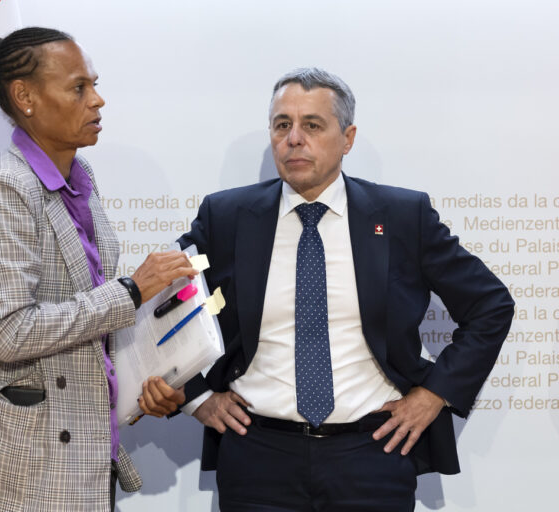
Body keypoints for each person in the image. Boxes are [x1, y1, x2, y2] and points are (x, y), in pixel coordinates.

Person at [177, 67, 514, 511]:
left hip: (373, 455)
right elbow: (161, 307)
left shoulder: (401, 215)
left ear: (348, 137)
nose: (294, 138)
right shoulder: (227, 216)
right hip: (258, 457)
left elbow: (490, 305)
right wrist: (196, 397)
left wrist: (434, 394)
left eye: (312, 125)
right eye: (282, 125)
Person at [0, 26, 193, 511]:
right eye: (79, 87)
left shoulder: (81, 176)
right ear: (26, 97)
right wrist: (131, 292)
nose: (97, 100)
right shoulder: (6, 186)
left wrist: (139, 376)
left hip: (85, 442)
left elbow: (84, 305)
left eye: (95, 84)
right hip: (25, 469)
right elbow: (11, 332)